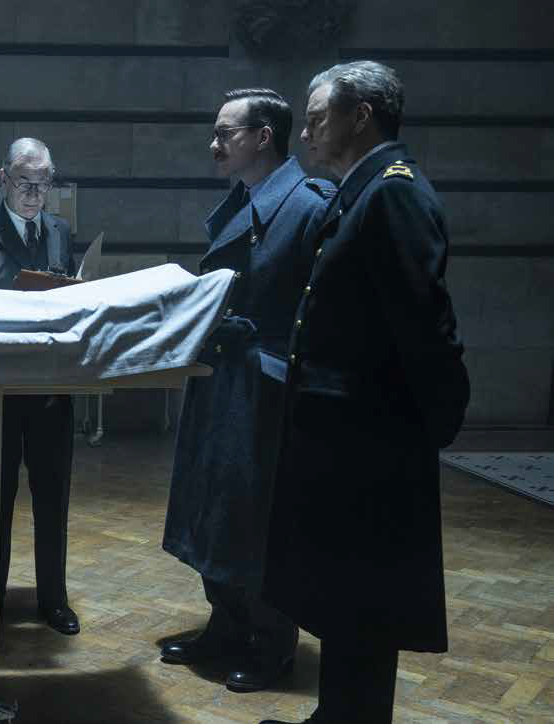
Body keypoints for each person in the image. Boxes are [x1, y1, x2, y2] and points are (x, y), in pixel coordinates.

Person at [259, 61, 470, 724]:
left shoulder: (392, 194)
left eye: (317, 118)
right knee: (345, 599)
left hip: (371, 442)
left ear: (361, 115)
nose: (304, 134)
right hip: (346, 437)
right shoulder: (364, 189)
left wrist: (432, 421)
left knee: (364, 604)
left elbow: (423, 323)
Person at [161, 89, 334, 692]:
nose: (214, 144)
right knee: (214, 509)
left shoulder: (310, 205)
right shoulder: (246, 199)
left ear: (263, 137)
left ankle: (272, 642)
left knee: (258, 517)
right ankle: (227, 625)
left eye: (225, 133)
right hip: (225, 374)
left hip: (267, 386)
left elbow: (323, 310)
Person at [0, 138, 80, 635]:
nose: (34, 193)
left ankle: (54, 599)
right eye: (25, 182)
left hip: (51, 389)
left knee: (54, 500)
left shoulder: (60, 231)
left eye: (43, 183)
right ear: (2, 177)